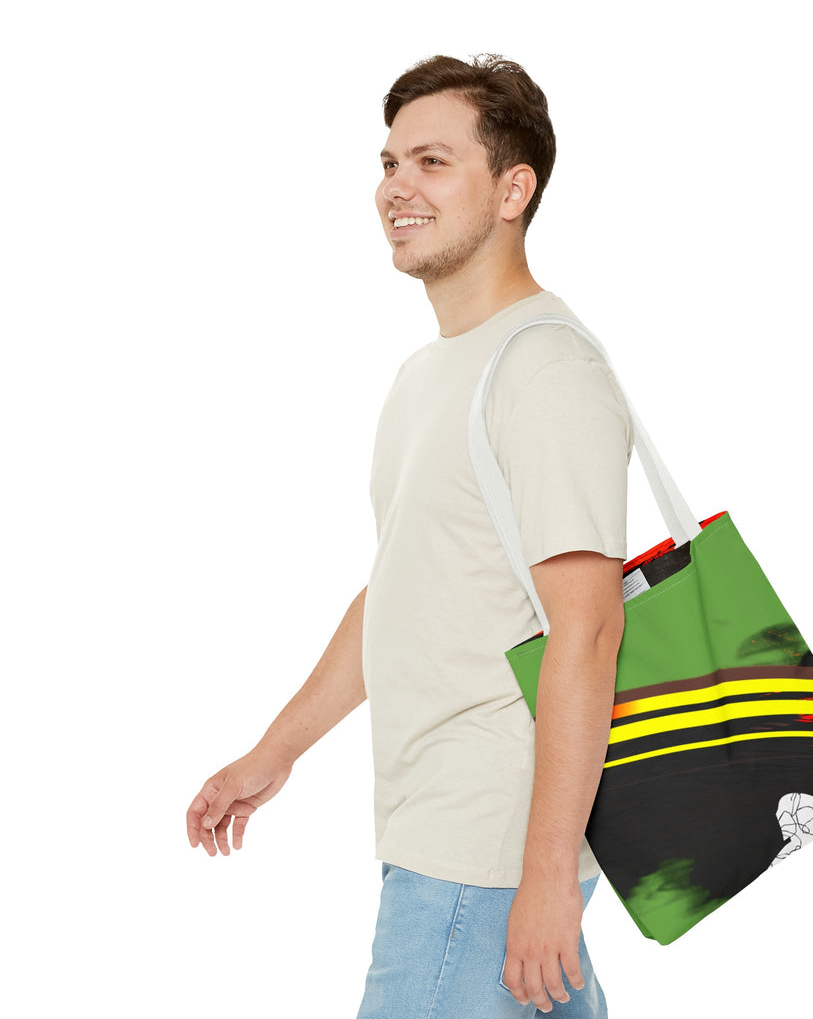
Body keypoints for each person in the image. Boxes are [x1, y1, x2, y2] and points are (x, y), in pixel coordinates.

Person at [186, 54, 632, 1018]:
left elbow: (590, 628)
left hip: (481, 855)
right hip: (443, 837)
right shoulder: (428, 376)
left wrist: (545, 878)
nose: (397, 187)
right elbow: (402, 591)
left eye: (433, 161)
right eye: (389, 163)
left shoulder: (544, 370)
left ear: (513, 190)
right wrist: (275, 753)